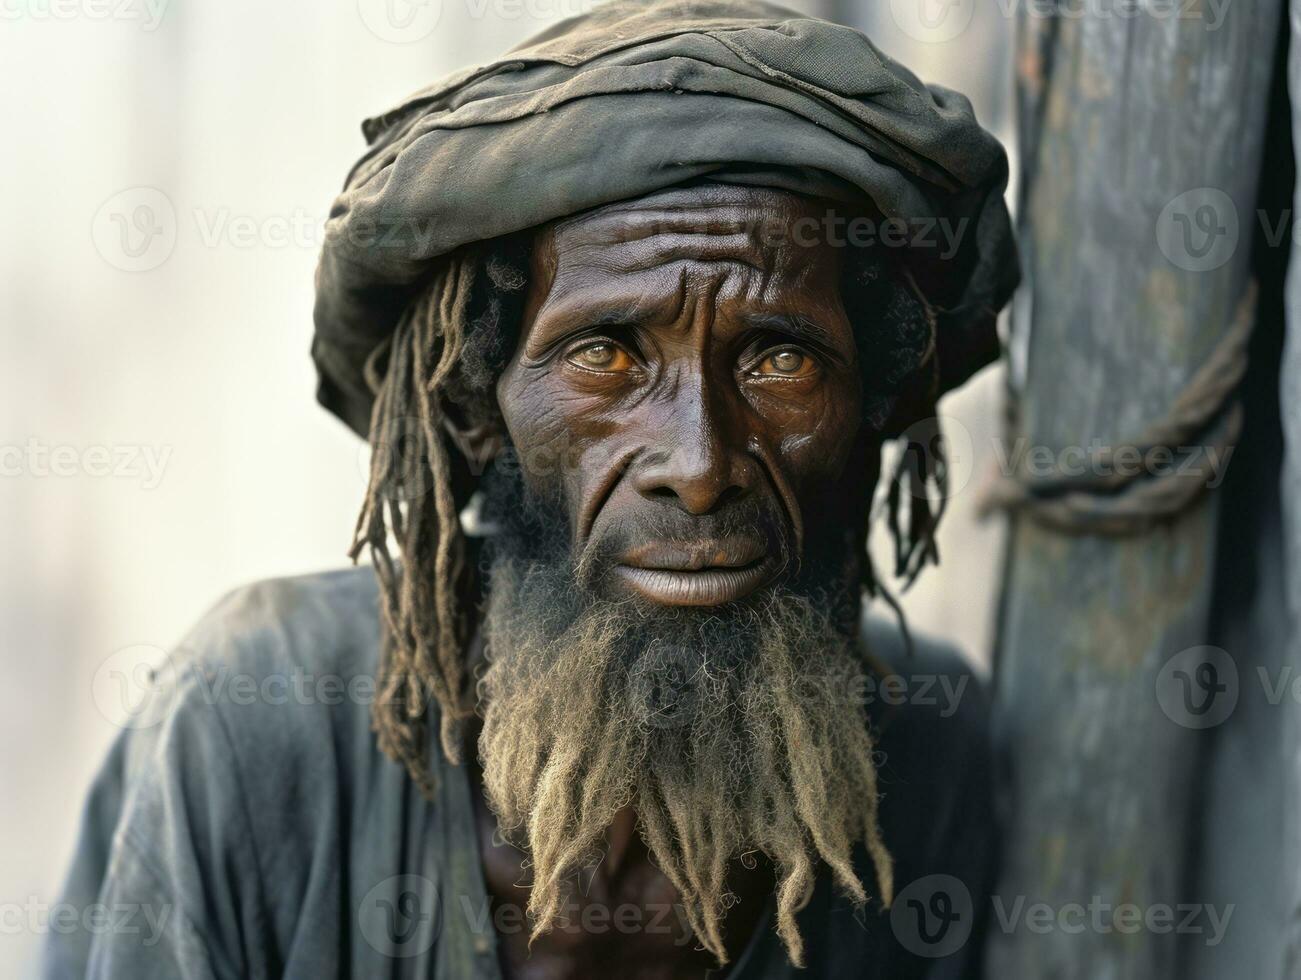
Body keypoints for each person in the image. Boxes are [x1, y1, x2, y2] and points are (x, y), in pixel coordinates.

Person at [47, 2, 1018, 977]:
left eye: (778, 362)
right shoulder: (260, 724)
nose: (697, 463)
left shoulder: (936, 763)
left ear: (872, 403)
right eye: (604, 355)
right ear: (476, 401)